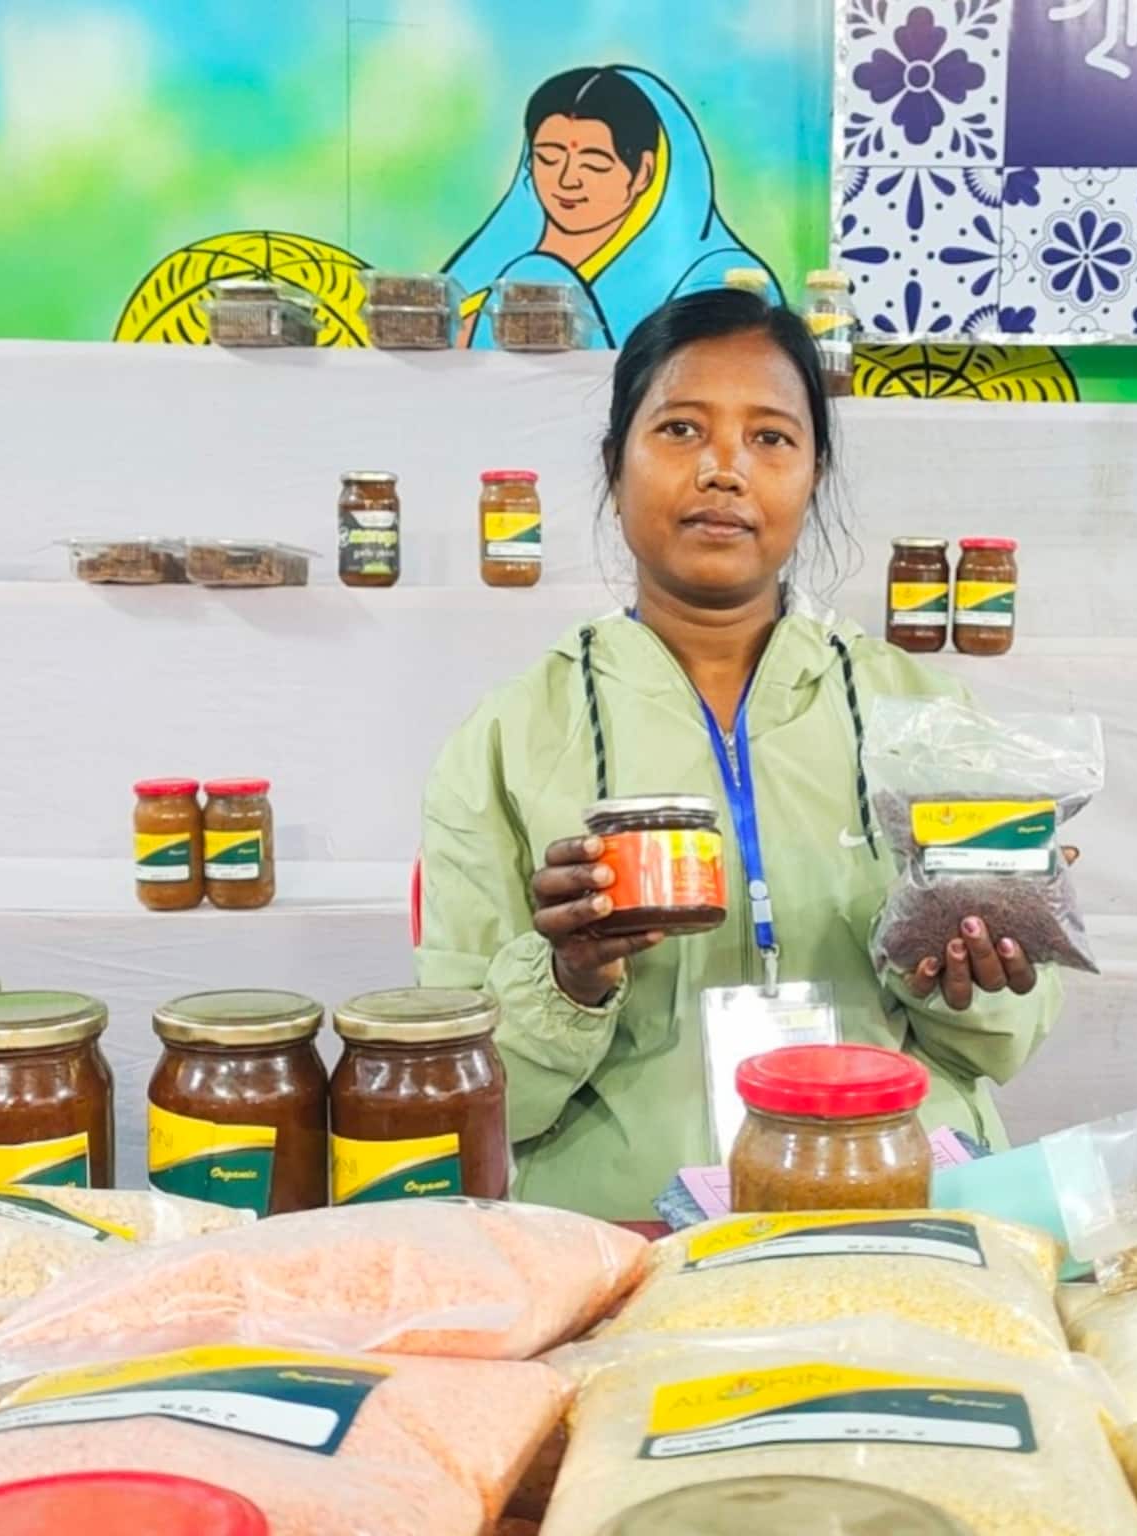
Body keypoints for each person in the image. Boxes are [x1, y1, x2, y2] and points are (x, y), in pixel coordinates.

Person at [416, 289, 1064, 1219]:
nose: (725, 470)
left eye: (771, 439)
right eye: (681, 429)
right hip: (630, 1228)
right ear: (614, 463)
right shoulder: (509, 739)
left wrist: (979, 977)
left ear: (813, 475)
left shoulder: (923, 714)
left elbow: (1002, 1044)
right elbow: (463, 1094)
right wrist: (569, 978)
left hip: (889, 1202)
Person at [444, 65, 780, 350]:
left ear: (643, 172)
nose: (566, 180)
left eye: (594, 164)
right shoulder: (488, 271)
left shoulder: (719, 278)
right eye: (548, 158)